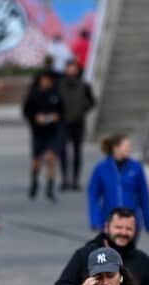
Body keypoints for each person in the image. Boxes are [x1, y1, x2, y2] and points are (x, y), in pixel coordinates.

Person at [54, 206, 149, 285]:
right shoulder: (85, 254)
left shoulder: (142, 260)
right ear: (106, 227)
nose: (123, 232)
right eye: (118, 227)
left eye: (129, 229)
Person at [87, 134, 149, 237]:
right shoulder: (101, 168)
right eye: (126, 146)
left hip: (131, 222)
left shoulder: (136, 167)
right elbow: (93, 195)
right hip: (109, 222)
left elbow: (144, 196)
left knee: (127, 247)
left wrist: (148, 222)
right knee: (112, 247)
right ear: (116, 148)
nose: (129, 149)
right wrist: (95, 221)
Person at [23, 72, 64, 202]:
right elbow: (26, 112)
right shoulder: (33, 95)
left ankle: (50, 187)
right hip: (38, 132)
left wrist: (56, 117)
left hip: (52, 131)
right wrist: (35, 118)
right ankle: (34, 183)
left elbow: (62, 111)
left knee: (51, 158)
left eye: (48, 80)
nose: (46, 82)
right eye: (43, 80)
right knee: (36, 160)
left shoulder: (56, 95)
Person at [57, 59, 96, 191]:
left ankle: (75, 180)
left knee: (77, 152)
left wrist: (82, 109)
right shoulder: (60, 85)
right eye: (69, 68)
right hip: (63, 122)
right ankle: (64, 179)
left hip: (78, 122)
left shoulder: (84, 85)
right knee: (63, 151)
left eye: (74, 68)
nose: (71, 70)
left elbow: (92, 101)